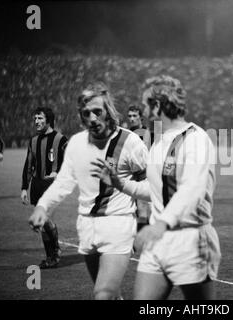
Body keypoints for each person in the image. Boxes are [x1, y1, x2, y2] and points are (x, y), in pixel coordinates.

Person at [92, 75, 221, 300]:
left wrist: (160, 224)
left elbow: (192, 190)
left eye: (145, 103)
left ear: (158, 105)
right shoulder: (160, 143)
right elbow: (155, 192)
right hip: (158, 242)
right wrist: (120, 183)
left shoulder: (197, 139)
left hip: (190, 240)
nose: (143, 109)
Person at [28, 82, 148, 300]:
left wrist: (143, 221)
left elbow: (150, 186)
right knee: (111, 295)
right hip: (86, 226)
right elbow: (63, 182)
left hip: (118, 223)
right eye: (86, 113)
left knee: (101, 294)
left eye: (97, 111)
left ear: (109, 111)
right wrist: (42, 207)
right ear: (81, 116)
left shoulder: (130, 142)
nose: (92, 118)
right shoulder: (76, 144)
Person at [21, 107, 68, 269]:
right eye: (35, 118)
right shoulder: (33, 141)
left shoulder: (61, 139)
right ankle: (51, 256)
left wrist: (58, 173)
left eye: (40, 118)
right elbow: (28, 165)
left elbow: (70, 161)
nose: (36, 121)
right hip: (37, 184)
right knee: (42, 224)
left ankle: (55, 252)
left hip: (52, 186)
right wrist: (23, 188)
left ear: (48, 120)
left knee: (45, 219)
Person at [126, 104, 152, 231]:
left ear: (141, 118)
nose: (131, 119)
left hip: (145, 177)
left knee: (144, 210)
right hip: (130, 177)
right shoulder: (126, 134)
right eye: (129, 116)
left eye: (134, 116)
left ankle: (144, 243)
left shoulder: (146, 134)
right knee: (134, 211)